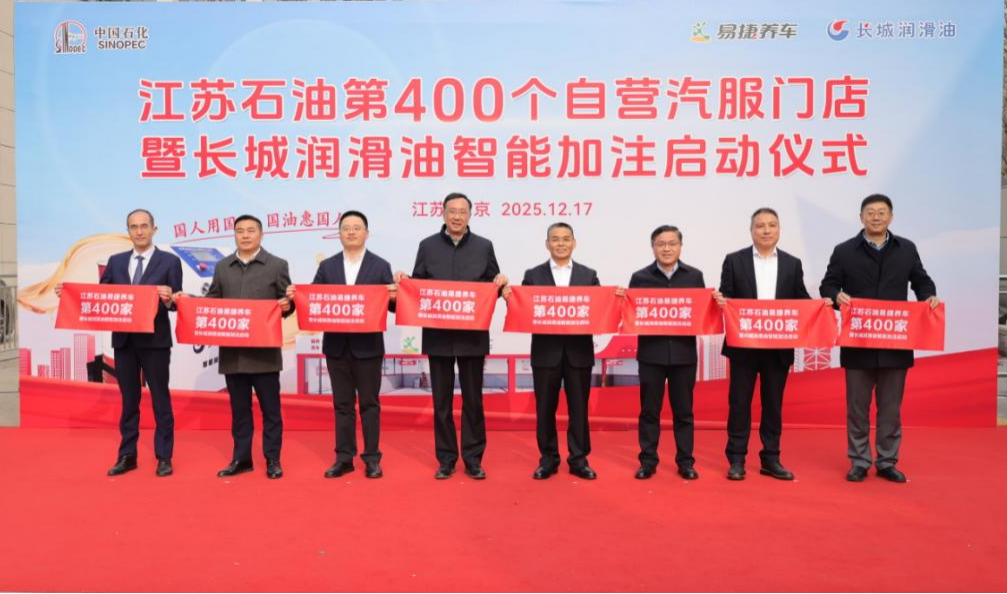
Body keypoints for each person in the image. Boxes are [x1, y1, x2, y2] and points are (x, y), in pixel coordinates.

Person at [820, 194, 938, 483]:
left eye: (881, 212)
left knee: (890, 409)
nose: (875, 217)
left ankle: (887, 461)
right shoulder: (844, 251)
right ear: (861, 217)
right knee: (857, 409)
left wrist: (928, 296)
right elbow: (828, 285)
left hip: (895, 343)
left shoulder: (906, 249)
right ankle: (859, 461)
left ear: (891, 217)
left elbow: (921, 280)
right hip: (858, 342)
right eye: (870, 212)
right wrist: (836, 296)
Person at [58, 209, 182, 477]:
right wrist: (69, 294)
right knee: (129, 401)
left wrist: (169, 299)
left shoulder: (170, 262)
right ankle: (127, 455)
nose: (139, 231)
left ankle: (164, 456)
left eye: (144, 226)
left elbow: (176, 302)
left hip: (155, 342)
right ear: (128, 231)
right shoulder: (115, 262)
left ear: (154, 229)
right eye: (134, 227)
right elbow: (102, 297)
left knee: (160, 400)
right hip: (124, 342)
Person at [394, 192, 507, 480]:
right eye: (452, 211)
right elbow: (418, 286)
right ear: (443, 214)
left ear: (470, 215)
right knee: (441, 402)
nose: (457, 216)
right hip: (438, 336)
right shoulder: (427, 245)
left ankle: (473, 459)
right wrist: (405, 281)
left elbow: (492, 286)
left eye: (462, 211)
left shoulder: (484, 246)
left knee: (473, 401)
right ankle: (446, 459)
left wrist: (500, 282)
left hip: (472, 337)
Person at [177, 214, 294, 479]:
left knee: (271, 411)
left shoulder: (277, 265)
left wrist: (288, 306)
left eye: (251, 230)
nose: (245, 235)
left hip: (264, 354)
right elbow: (212, 303)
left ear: (260, 234)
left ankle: (272, 459)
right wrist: (188, 301)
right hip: (233, 354)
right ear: (235, 235)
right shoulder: (223, 267)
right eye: (240, 231)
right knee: (239, 411)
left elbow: (286, 303)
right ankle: (242, 459)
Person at [287, 210, 395, 479]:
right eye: (346, 227)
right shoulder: (328, 266)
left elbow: (391, 306)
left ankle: (372, 459)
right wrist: (295, 296)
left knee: (370, 404)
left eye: (357, 227)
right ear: (339, 234)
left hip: (368, 347)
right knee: (342, 405)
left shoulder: (380, 265)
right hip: (337, 346)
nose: (351, 232)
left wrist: (394, 296)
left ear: (367, 233)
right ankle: (344, 458)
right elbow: (313, 299)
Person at [713, 208, 819, 481]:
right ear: (751, 230)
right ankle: (737, 459)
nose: (766, 230)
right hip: (743, 346)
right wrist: (722, 299)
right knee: (739, 404)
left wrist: (820, 306)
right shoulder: (734, 260)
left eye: (772, 225)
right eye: (760, 225)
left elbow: (800, 298)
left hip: (778, 348)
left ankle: (771, 459)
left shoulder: (792, 264)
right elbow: (728, 294)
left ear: (779, 229)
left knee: (773, 405)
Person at [504, 222, 600, 480]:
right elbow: (523, 310)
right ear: (547, 244)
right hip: (546, 353)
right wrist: (510, 298)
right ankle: (548, 459)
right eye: (555, 239)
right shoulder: (533, 275)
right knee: (545, 409)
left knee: (579, 409)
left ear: (574, 243)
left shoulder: (589, 275)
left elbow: (598, 309)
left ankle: (579, 460)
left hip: (578, 353)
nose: (561, 243)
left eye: (566, 239)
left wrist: (616, 298)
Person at [628, 225, 706, 480]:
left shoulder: (694, 277)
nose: (666, 248)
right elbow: (631, 313)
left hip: (684, 355)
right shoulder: (639, 278)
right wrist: (621, 299)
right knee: (649, 412)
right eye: (661, 244)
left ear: (680, 246)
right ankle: (648, 461)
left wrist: (716, 303)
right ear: (653, 247)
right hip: (651, 355)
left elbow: (701, 313)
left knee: (684, 412)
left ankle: (686, 462)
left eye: (672, 243)